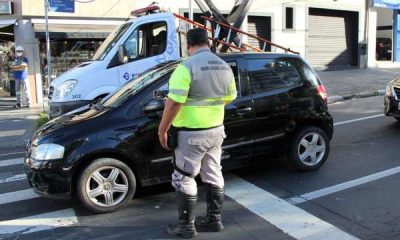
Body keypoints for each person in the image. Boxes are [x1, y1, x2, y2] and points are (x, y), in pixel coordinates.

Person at [158, 28, 237, 238]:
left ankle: (186, 227)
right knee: (213, 173)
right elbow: (231, 97)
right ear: (207, 43)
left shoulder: (186, 67)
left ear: (189, 44)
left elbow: (174, 101)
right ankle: (214, 221)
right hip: (216, 130)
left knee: (184, 178)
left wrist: (163, 129)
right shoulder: (224, 66)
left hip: (190, 134)